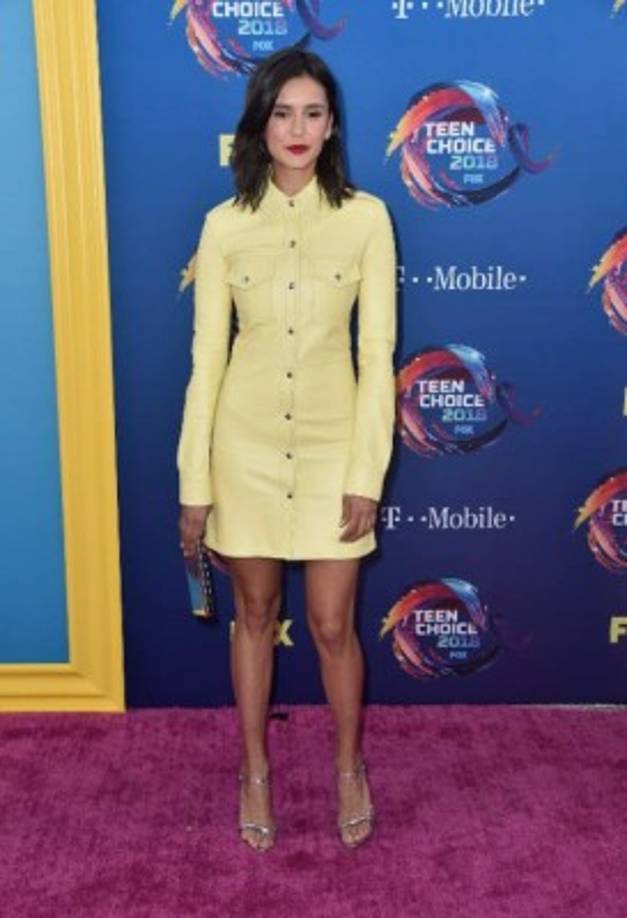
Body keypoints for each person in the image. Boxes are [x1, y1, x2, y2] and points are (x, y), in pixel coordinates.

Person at [177, 46, 397, 852]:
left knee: (333, 623)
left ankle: (347, 766)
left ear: (332, 123)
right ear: (258, 125)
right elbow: (206, 365)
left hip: (339, 446)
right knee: (254, 615)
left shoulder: (368, 218)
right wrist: (194, 483)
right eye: (281, 112)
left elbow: (378, 356)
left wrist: (365, 473)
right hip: (245, 449)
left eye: (312, 112)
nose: (297, 128)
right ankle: (254, 770)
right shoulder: (224, 227)